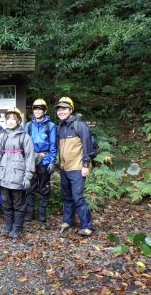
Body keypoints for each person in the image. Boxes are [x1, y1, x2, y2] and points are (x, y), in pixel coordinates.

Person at [0, 107, 35, 239]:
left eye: (13, 119)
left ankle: (17, 228)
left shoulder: (25, 137)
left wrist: (28, 177)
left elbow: (30, 158)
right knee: (6, 203)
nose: (11, 121)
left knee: (19, 204)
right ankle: (9, 225)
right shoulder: (2, 136)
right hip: (4, 176)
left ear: (18, 120)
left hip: (18, 176)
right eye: (8, 119)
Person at [55, 97, 94, 236]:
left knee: (78, 197)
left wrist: (85, 165)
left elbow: (88, 146)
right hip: (65, 168)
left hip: (77, 167)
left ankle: (87, 226)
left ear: (71, 110)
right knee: (67, 196)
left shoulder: (79, 125)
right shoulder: (61, 127)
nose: (61, 111)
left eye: (64, 108)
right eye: (59, 109)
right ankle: (68, 220)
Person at [24, 99, 57, 227]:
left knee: (44, 187)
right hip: (31, 159)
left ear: (45, 111)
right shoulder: (29, 125)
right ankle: (30, 212)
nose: (37, 111)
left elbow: (53, 145)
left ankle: (42, 213)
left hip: (45, 159)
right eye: (35, 108)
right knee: (30, 187)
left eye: (40, 109)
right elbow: (25, 144)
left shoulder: (51, 126)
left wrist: (52, 161)